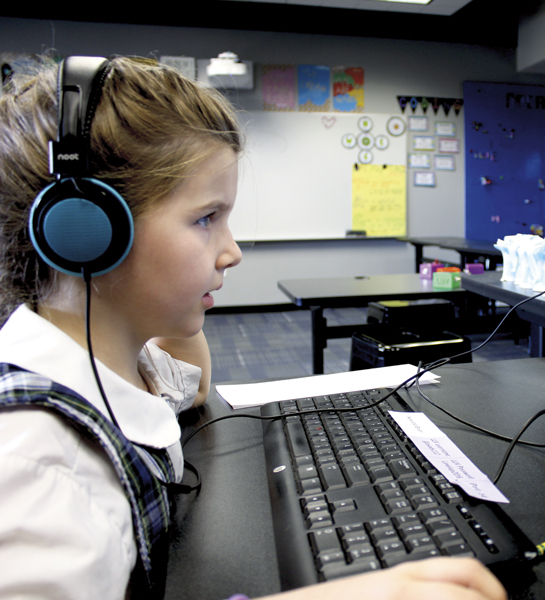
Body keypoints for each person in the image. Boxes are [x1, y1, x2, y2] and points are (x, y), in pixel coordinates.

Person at [0, 56, 506, 600]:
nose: (232, 251)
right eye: (206, 218)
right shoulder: (37, 460)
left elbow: (189, 384)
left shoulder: (118, 362)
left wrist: (177, 303)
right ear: (87, 232)